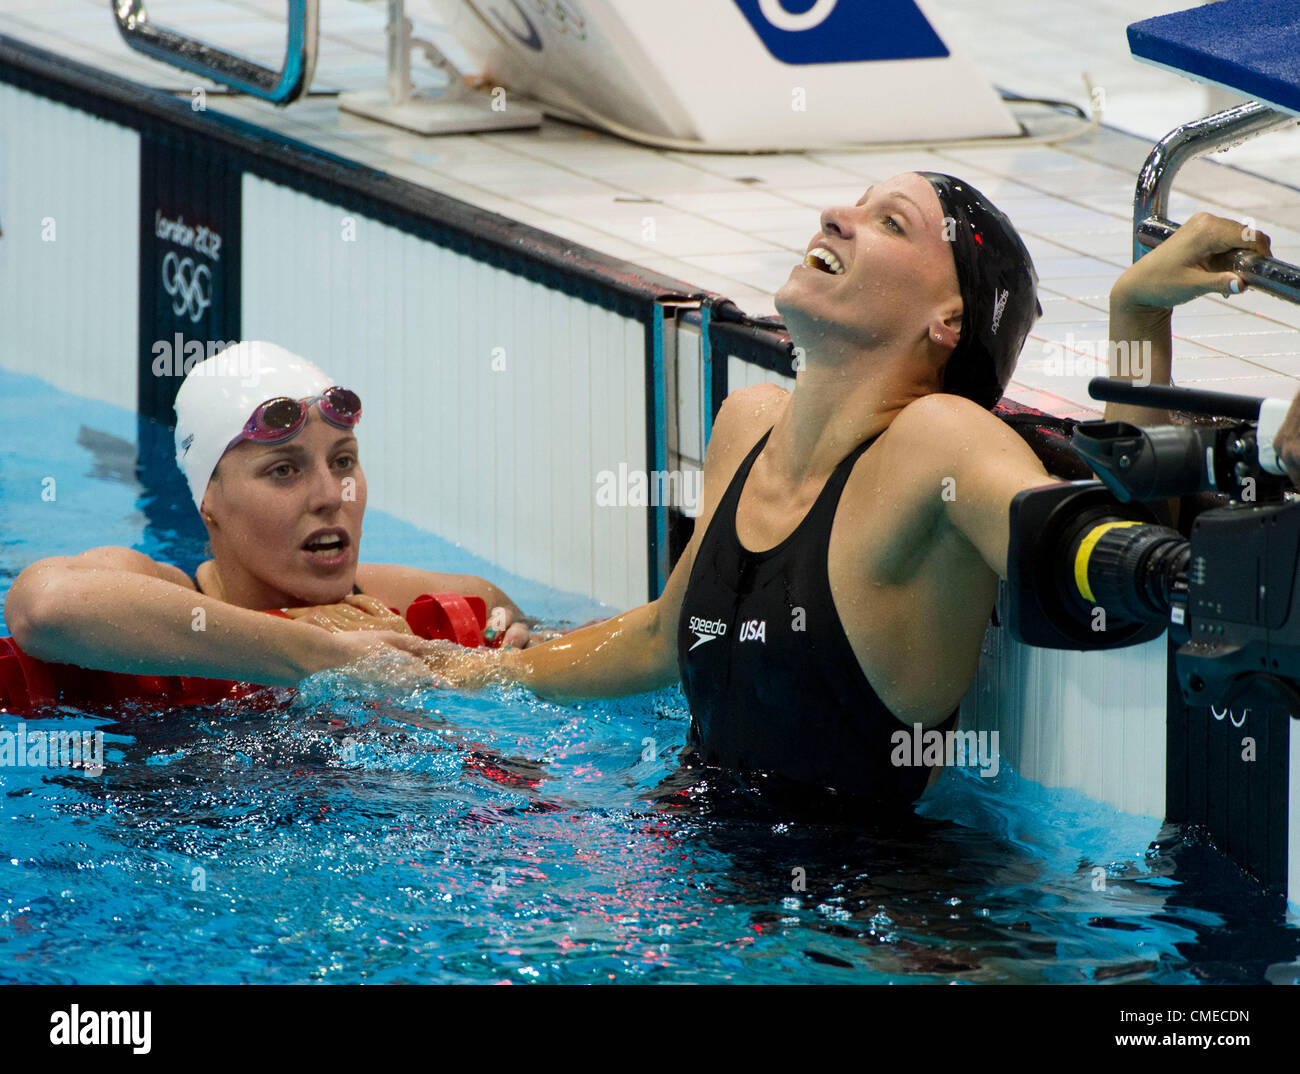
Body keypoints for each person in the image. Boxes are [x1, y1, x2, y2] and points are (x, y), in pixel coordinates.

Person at [415, 174, 1269, 807]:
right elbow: (655, 638)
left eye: (888, 222)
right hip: (688, 855)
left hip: (867, 923)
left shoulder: (938, 442)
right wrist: (449, 676)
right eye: (853, 204)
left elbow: (1095, 565)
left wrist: (1135, 313)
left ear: (950, 321)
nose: (835, 215)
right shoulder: (748, 423)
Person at [2, 341, 539, 688]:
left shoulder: (420, 605)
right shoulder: (160, 593)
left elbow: (538, 640)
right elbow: (42, 609)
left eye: (343, 460)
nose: (332, 495)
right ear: (208, 500)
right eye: (284, 470)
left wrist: (517, 642)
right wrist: (323, 655)